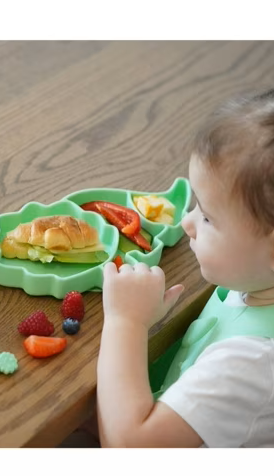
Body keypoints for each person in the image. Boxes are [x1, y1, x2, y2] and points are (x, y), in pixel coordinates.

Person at [97, 89, 274, 448]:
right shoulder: (257, 279)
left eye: (207, 217)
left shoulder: (250, 363)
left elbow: (130, 448)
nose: (186, 222)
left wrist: (125, 321)